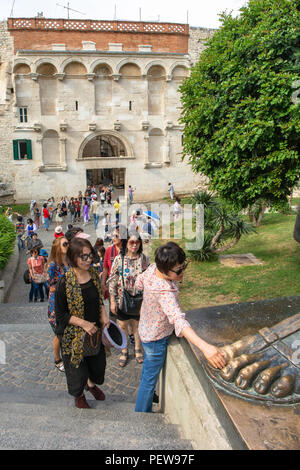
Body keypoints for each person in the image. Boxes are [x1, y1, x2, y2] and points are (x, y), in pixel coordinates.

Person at [134, 242, 227, 413]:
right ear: (164, 270)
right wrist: (205, 347)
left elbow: (139, 283)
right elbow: (178, 320)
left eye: (183, 267)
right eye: (178, 271)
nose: (182, 273)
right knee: (148, 382)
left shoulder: (153, 267)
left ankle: (147, 396)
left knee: (147, 373)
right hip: (156, 340)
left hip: (145, 330)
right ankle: (141, 415)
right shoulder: (164, 292)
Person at [55, 237, 110, 409]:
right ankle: (79, 395)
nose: (89, 260)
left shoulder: (93, 274)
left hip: (95, 333)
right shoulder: (64, 282)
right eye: (83, 257)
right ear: (73, 257)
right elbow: (61, 315)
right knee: (77, 372)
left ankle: (91, 384)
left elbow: (99, 300)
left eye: (90, 255)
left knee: (98, 368)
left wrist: (104, 316)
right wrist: (84, 324)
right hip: (74, 336)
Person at [109, 230, 149, 367]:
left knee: (137, 325)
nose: (135, 245)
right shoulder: (119, 259)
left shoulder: (143, 259)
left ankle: (138, 349)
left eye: (137, 242)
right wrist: (112, 301)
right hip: (122, 299)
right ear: (126, 243)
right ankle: (124, 350)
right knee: (123, 326)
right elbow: (112, 281)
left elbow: (148, 279)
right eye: (132, 242)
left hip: (139, 299)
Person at [47, 237, 70, 373]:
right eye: (65, 244)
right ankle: (57, 359)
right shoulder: (53, 265)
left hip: (67, 303)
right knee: (59, 334)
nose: (68, 245)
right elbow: (49, 285)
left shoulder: (68, 262)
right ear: (58, 247)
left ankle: (67, 357)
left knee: (66, 333)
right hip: (56, 304)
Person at [101, 226, 122, 301]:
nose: (113, 238)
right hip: (112, 286)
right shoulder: (109, 250)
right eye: (112, 236)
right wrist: (103, 284)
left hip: (124, 285)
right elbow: (105, 268)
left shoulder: (127, 251)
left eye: (116, 236)